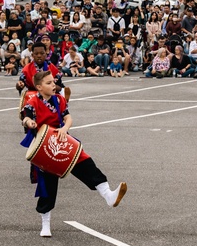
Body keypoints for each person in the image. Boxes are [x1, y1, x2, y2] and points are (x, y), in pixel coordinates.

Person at [20, 71, 127, 237]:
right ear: (39, 87)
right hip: (45, 146)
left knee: (85, 163)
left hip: (61, 138)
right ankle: (45, 223)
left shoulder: (59, 100)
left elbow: (68, 118)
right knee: (48, 186)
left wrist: (64, 128)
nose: (53, 85)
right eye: (48, 83)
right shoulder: (32, 102)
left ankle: (108, 195)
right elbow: (25, 117)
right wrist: (30, 122)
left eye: (53, 82)